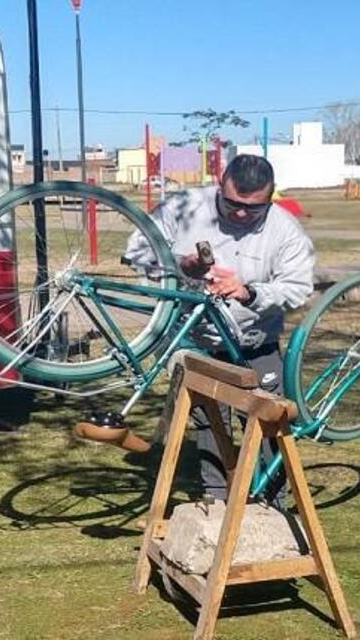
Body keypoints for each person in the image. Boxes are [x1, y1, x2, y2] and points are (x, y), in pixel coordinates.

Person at [124, 154, 315, 502]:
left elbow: (299, 287)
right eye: (232, 204)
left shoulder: (285, 229)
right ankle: (217, 499)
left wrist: (250, 292)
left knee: (269, 423)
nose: (241, 214)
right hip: (198, 342)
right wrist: (182, 266)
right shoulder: (183, 208)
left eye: (253, 209)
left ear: (270, 197)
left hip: (255, 343)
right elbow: (137, 252)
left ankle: (276, 503)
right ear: (220, 183)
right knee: (209, 423)